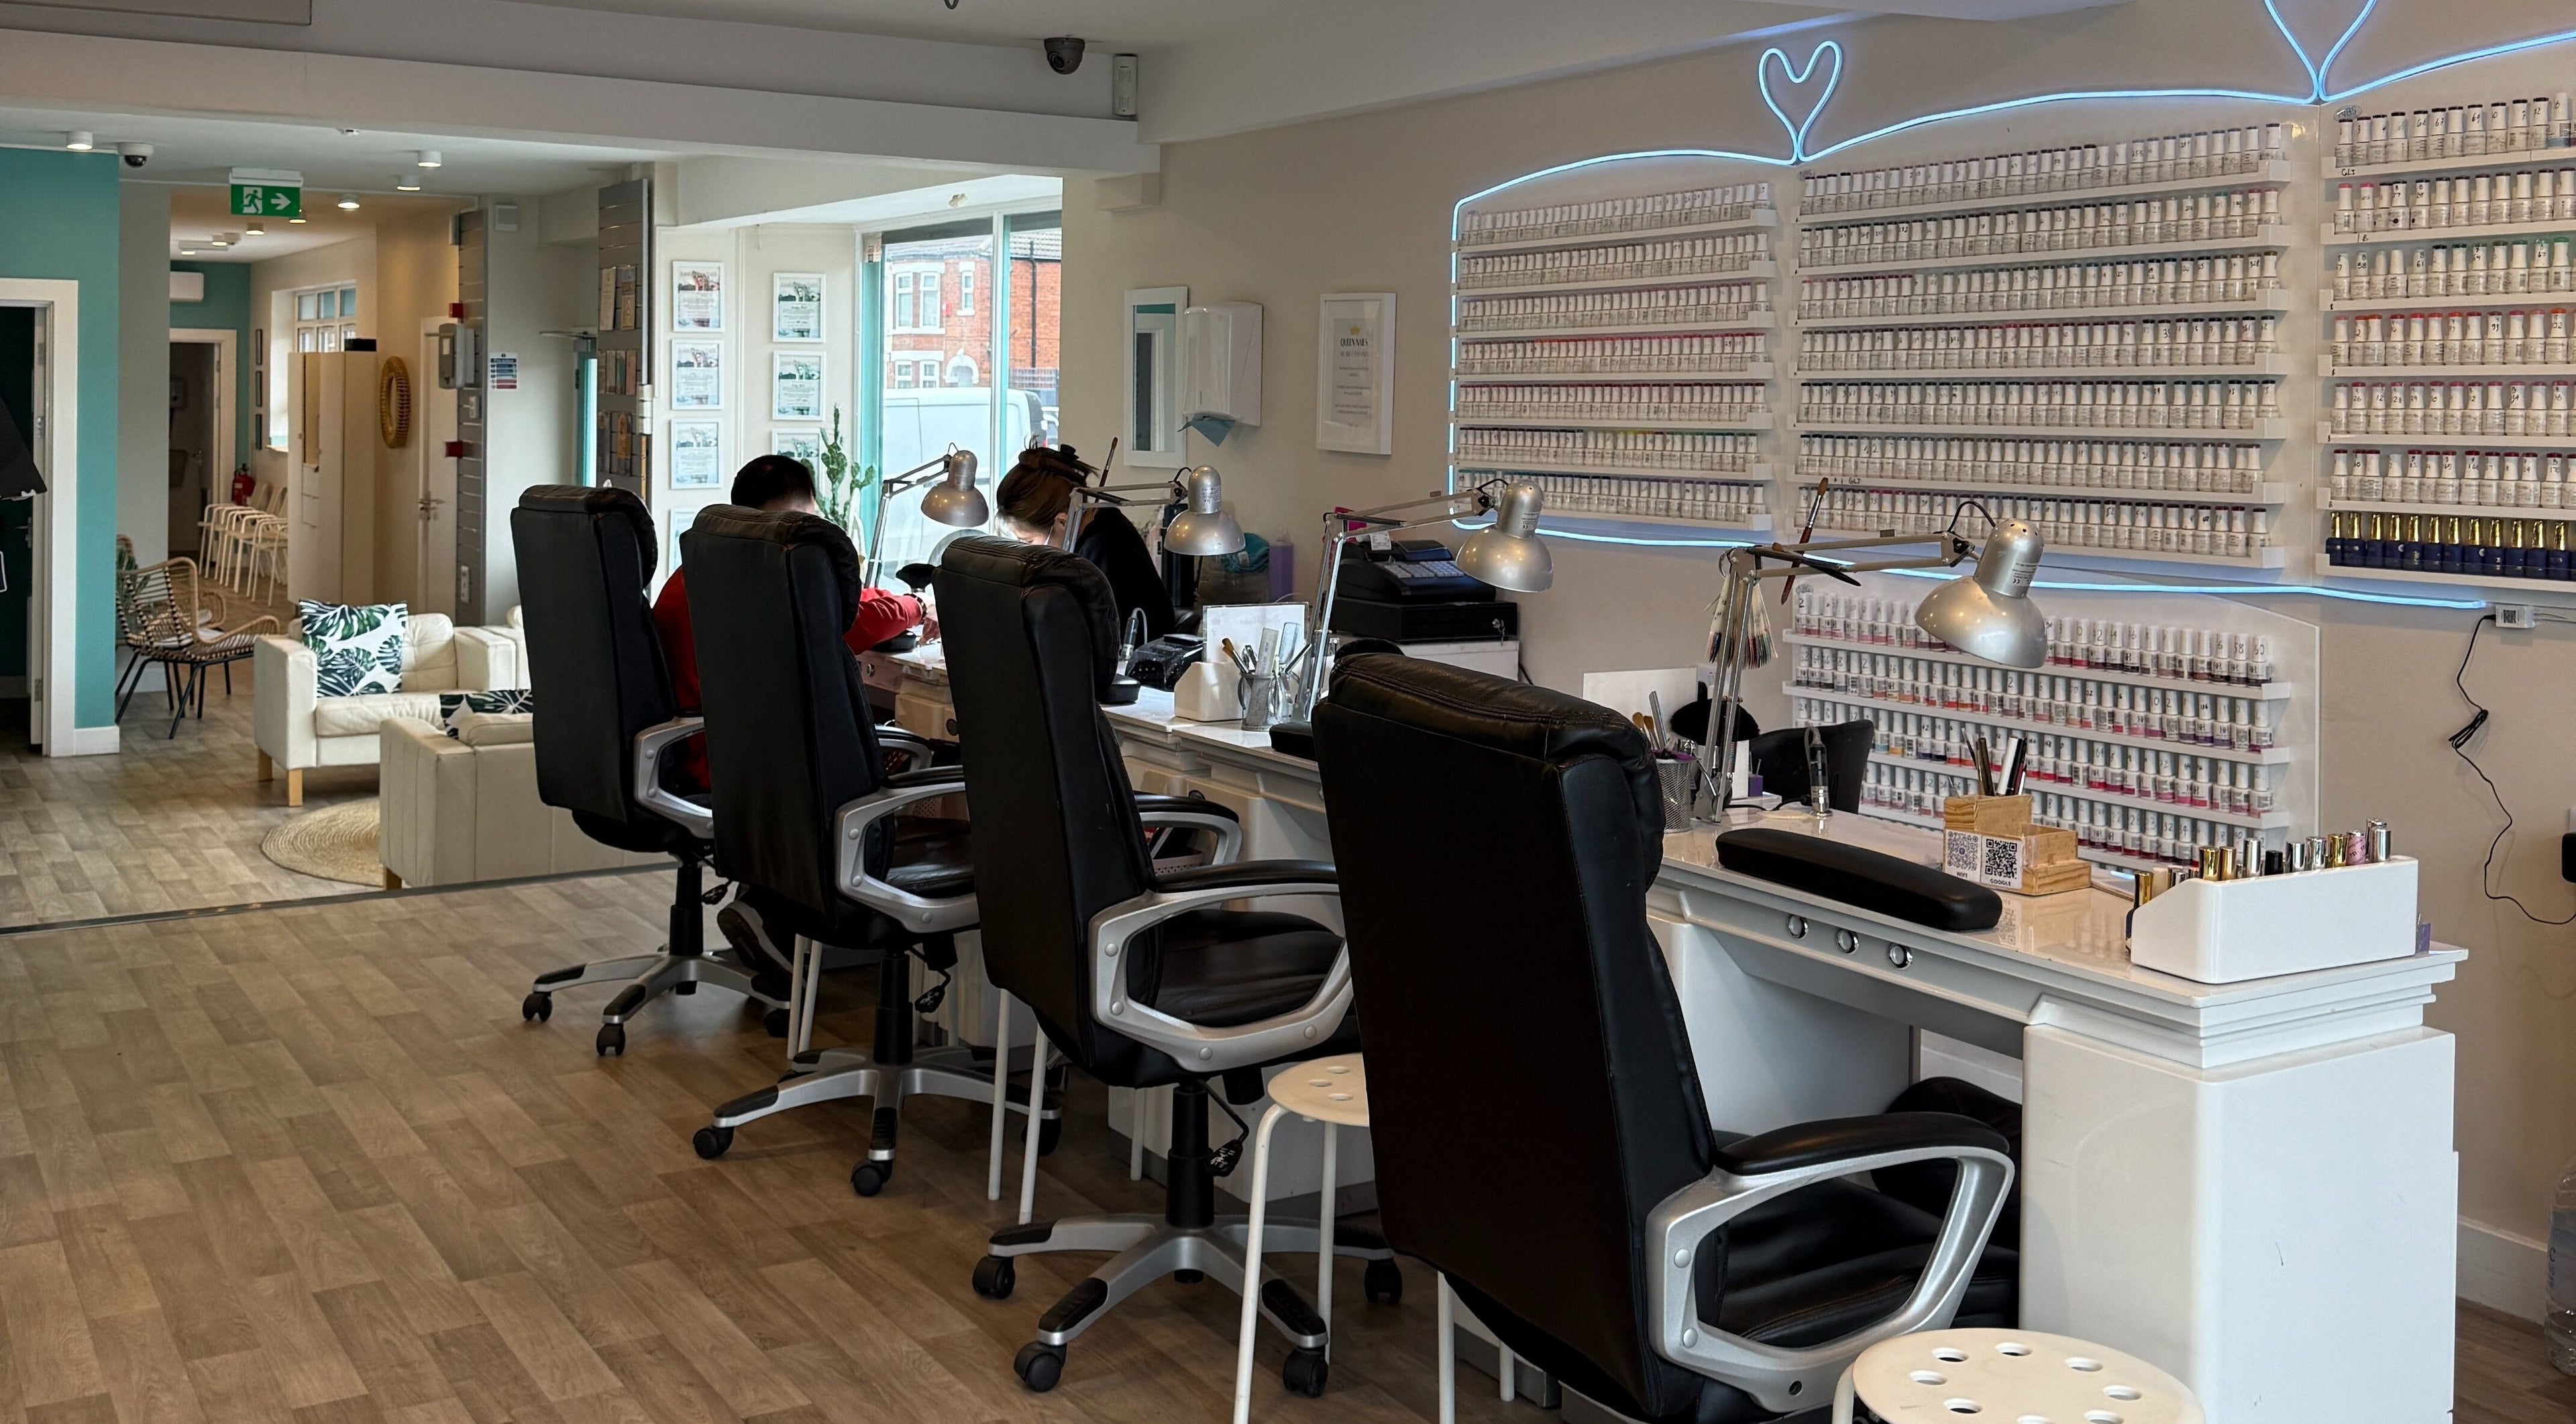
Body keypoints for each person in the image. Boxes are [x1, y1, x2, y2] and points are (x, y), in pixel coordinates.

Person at [651, 453, 930, 984]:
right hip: (737, 766)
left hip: (715, 753)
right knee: (914, 756)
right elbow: (856, 619)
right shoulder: (768, 585)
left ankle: (770, 905)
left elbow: (843, 609)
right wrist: (915, 605)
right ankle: (797, 918)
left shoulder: (703, 570)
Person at [996, 443, 1176, 640]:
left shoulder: (1103, 551)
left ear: (1062, 522)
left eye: (1028, 541)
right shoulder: (1100, 521)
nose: (1025, 551)